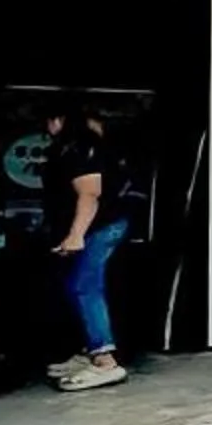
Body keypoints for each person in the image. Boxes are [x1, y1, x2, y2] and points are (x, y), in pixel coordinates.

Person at [41, 99, 132, 391]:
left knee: (84, 286)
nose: (48, 127)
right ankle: (89, 352)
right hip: (98, 226)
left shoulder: (80, 149)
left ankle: (105, 361)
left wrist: (76, 234)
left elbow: (89, 194)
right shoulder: (77, 147)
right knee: (77, 285)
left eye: (52, 120)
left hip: (101, 228)